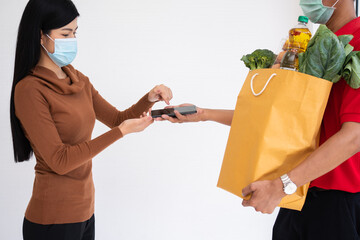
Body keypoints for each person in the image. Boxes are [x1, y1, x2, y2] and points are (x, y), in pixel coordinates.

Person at [162, 0, 360, 238]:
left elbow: (354, 136)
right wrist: (204, 115)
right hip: (298, 193)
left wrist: (280, 185)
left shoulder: (357, 42)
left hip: (336, 203)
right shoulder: (311, 45)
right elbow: (279, 121)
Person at [10, 0, 173, 239]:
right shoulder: (30, 90)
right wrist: (121, 132)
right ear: (41, 37)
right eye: (65, 34)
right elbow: (60, 160)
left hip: (85, 214)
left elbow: (118, 118)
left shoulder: (78, 80)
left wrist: (149, 98)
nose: (71, 40)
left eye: (75, 33)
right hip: (52, 219)